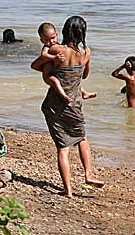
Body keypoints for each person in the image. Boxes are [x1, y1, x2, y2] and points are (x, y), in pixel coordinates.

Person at [40, 16, 104, 198]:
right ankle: (88, 173)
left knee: (63, 147)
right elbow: (84, 76)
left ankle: (68, 190)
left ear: (64, 31)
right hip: (75, 104)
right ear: (82, 33)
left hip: (54, 105)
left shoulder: (55, 49)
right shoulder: (87, 52)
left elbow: (39, 66)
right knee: (81, 138)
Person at [31, 22, 96, 104]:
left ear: (58, 34)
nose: (51, 41)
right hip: (49, 77)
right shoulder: (48, 48)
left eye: (53, 38)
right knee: (56, 81)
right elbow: (43, 55)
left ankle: (84, 93)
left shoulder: (56, 47)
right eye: (47, 40)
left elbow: (34, 66)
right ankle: (63, 96)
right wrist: (54, 58)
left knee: (73, 82)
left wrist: (52, 68)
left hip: (52, 81)